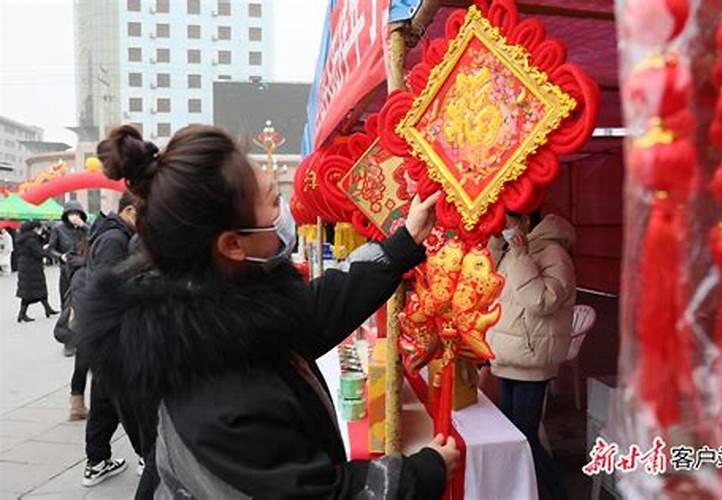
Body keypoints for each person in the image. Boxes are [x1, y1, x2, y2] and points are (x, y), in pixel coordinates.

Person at [75, 124, 459, 499]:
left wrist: (403, 243)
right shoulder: (222, 397)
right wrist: (426, 470)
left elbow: (313, 311)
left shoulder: (218, 309)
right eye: (275, 202)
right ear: (232, 244)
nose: (284, 216)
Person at [487, 210, 576, 500]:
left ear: (527, 221)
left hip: (530, 358)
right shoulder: (514, 249)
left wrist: (521, 254)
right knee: (513, 434)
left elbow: (541, 300)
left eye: (509, 219)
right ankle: (520, 491)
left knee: (525, 436)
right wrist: (498, 244)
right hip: (509, 356)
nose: (504, 225)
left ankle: (559, 493)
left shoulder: (554, 253)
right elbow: (488, 283)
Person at [72, 191, 156, 489]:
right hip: (113, 334)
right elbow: (109, 289)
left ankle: (97, 461)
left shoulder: (111, 234)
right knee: (124, 400)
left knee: (106, 400)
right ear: (131, 211)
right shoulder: (114, 240)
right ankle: (145, 455)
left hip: (107, 335)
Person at [15, 221, 59, 322]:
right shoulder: (31, 240)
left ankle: (47, 309)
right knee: (31, 291)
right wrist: (46, 250)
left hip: (25, 266)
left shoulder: (23, 238)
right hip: (32, 267)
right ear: (35, 229)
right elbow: (39, 253)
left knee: (34, 290)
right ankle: (22, 314)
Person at [47, 199, 89, 302]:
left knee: (84, 302)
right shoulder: (58, 229)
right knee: (67, 301)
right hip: (67, 270)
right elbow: (50, 249)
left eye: (77, 213)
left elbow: (96, 237)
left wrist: (84, 226)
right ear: (66, 215)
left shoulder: (85, 227)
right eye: (71, 213)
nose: (74, 216)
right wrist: (60, 256)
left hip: (84, 269)